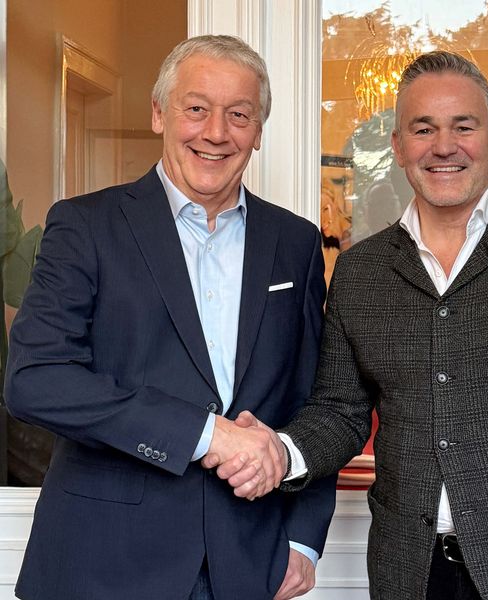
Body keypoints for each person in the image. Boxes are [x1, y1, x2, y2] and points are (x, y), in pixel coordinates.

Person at [223, 51, 488, 600]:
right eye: (423, 128)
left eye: (463, 127)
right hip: (410, 576)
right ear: (399, 146)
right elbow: (339, 411)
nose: (444, 146)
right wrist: (282, 451)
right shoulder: (361, 271)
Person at [4, 35, 335, 600]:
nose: (216, 132)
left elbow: (316, 398)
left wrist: (304, 539)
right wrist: (205, 435)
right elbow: (36, 380)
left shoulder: (295, 242)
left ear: (258, 130)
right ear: (159, 113)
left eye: (239, 115)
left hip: (246, 561)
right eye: (196, 108)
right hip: (102, 565)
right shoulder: (85, 227)